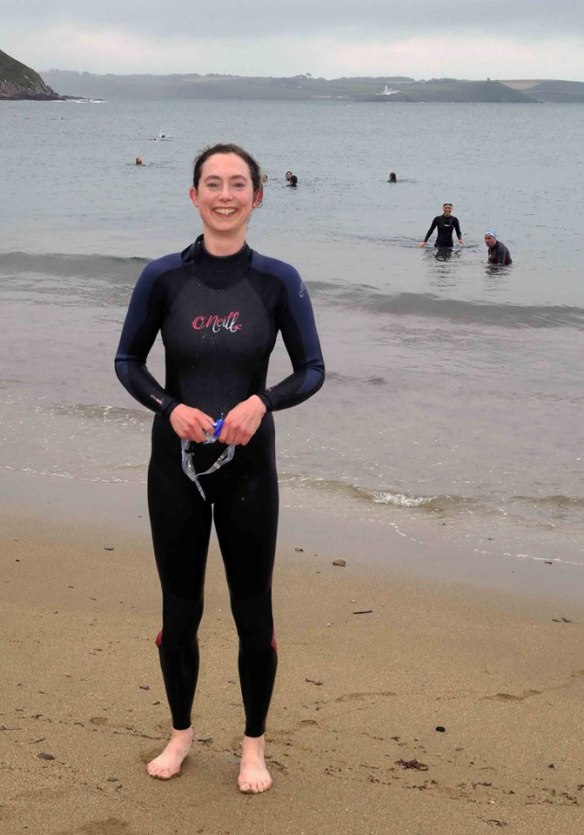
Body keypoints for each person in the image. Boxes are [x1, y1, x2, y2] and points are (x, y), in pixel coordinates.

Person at [115, 143, 325, 792]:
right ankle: (181, 733)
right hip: (173, 465)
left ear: (258, 196)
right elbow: (128, 361)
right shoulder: (162, 278)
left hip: (248, 471)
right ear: (194, 195)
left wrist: (262, 402)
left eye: (238, 184)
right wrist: (168, 405)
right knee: (179, 612)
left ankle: (253, 744)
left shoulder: (278, 280)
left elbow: (312, 368)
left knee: (252, 614)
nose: (225, 194)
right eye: (213, 183)